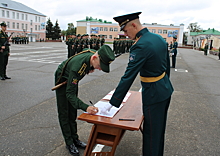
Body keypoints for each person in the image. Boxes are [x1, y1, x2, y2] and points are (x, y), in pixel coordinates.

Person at [98, 12, 173, 156]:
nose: (125, 34)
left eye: (125, 30)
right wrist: (166, 84)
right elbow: (166, 66)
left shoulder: (140, 45)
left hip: (153, 94)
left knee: (151, 135)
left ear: (134, 25)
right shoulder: (158, 38)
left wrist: (113, 102)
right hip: (164, 89)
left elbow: (128, 77)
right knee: (159, 131)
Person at [54, 45, 115, 156]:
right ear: (94, 58)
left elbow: (84, 51)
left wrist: (90, 68)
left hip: (73, 78)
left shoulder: (93, 53)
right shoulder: (77, 68)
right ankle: (69, 142)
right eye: (100, 66)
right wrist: (86, 107)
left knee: (72, 111)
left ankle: (75, 139)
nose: (100, 69)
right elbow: (69, 94)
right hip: (63, 79)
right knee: (65, 112)